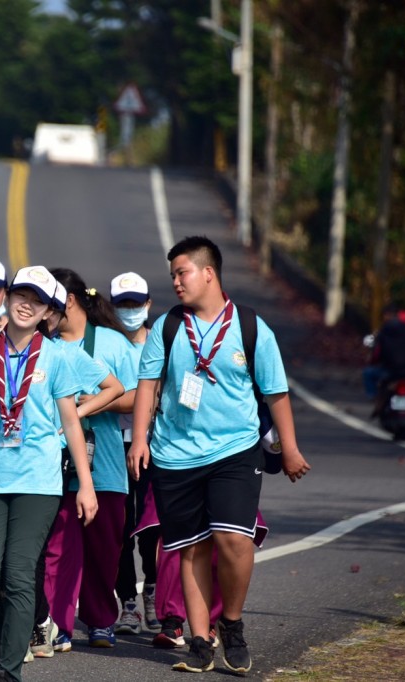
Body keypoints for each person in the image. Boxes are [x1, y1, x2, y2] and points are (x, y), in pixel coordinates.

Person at [128, 235, 311, 674]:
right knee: (190, 549)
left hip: (235, 451)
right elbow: (147, 387)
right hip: (174, 455)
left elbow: (277, 392)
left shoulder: (250, 327)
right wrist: (139, 440)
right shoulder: (168, 328)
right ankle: (199, 641)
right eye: (172, 274)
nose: (176, 281)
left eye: (182, 272)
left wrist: (290, 447)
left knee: (234, 540)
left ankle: (230, 623)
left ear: (208, 273)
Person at [0, 265, 99, 682]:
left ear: (49, 310)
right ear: (9, 297)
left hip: (38, 482)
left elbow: (70, 422)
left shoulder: (56, 357)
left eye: (38, 299)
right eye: (21, 294)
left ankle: (7, 671)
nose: (27, 304)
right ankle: (9, 638)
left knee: (17, 575)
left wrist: (85, 484)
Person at [42, 269, 133, 651]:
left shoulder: (111, 342)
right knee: (56, 549)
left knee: (104, 550)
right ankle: (54, 625)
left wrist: (84, 403)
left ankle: (100, 620)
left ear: (70, 300)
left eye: (49, 302)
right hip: (53, 468)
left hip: (106, 464)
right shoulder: (43, 345)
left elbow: (134, 398)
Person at [107, 272, 161, 635]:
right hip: (115, 443)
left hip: (156, 446)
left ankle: (154, 597)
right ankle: (127, 602)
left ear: (148, 305)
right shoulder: (105, 344)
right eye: (123, 304)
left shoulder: (161, 341)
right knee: (121, 527)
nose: (130, 310)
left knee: (152, 528)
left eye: (135, 303)